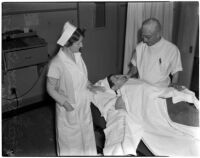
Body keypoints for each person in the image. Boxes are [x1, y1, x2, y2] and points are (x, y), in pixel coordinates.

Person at [46, 21, 105, 156]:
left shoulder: (78, 56)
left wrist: (90, 85)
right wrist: (65, 104)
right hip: (69, 107)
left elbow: (81, 77)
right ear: (67, 43)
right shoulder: (56, 64)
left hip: (83, 104)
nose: (82, 45)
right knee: (71, 143)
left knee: (87, 138)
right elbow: (50, 88)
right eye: (78, 43)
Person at [127, 18, 183, 88]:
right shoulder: (140, 47)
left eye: (148, 37)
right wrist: (126, 77)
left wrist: (173, 85)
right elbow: (134, 68)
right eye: (143, 36)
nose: (144, 40)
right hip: (142, 87)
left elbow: (176, 72)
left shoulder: (172, 49)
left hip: (160, 89)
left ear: (158, 34)